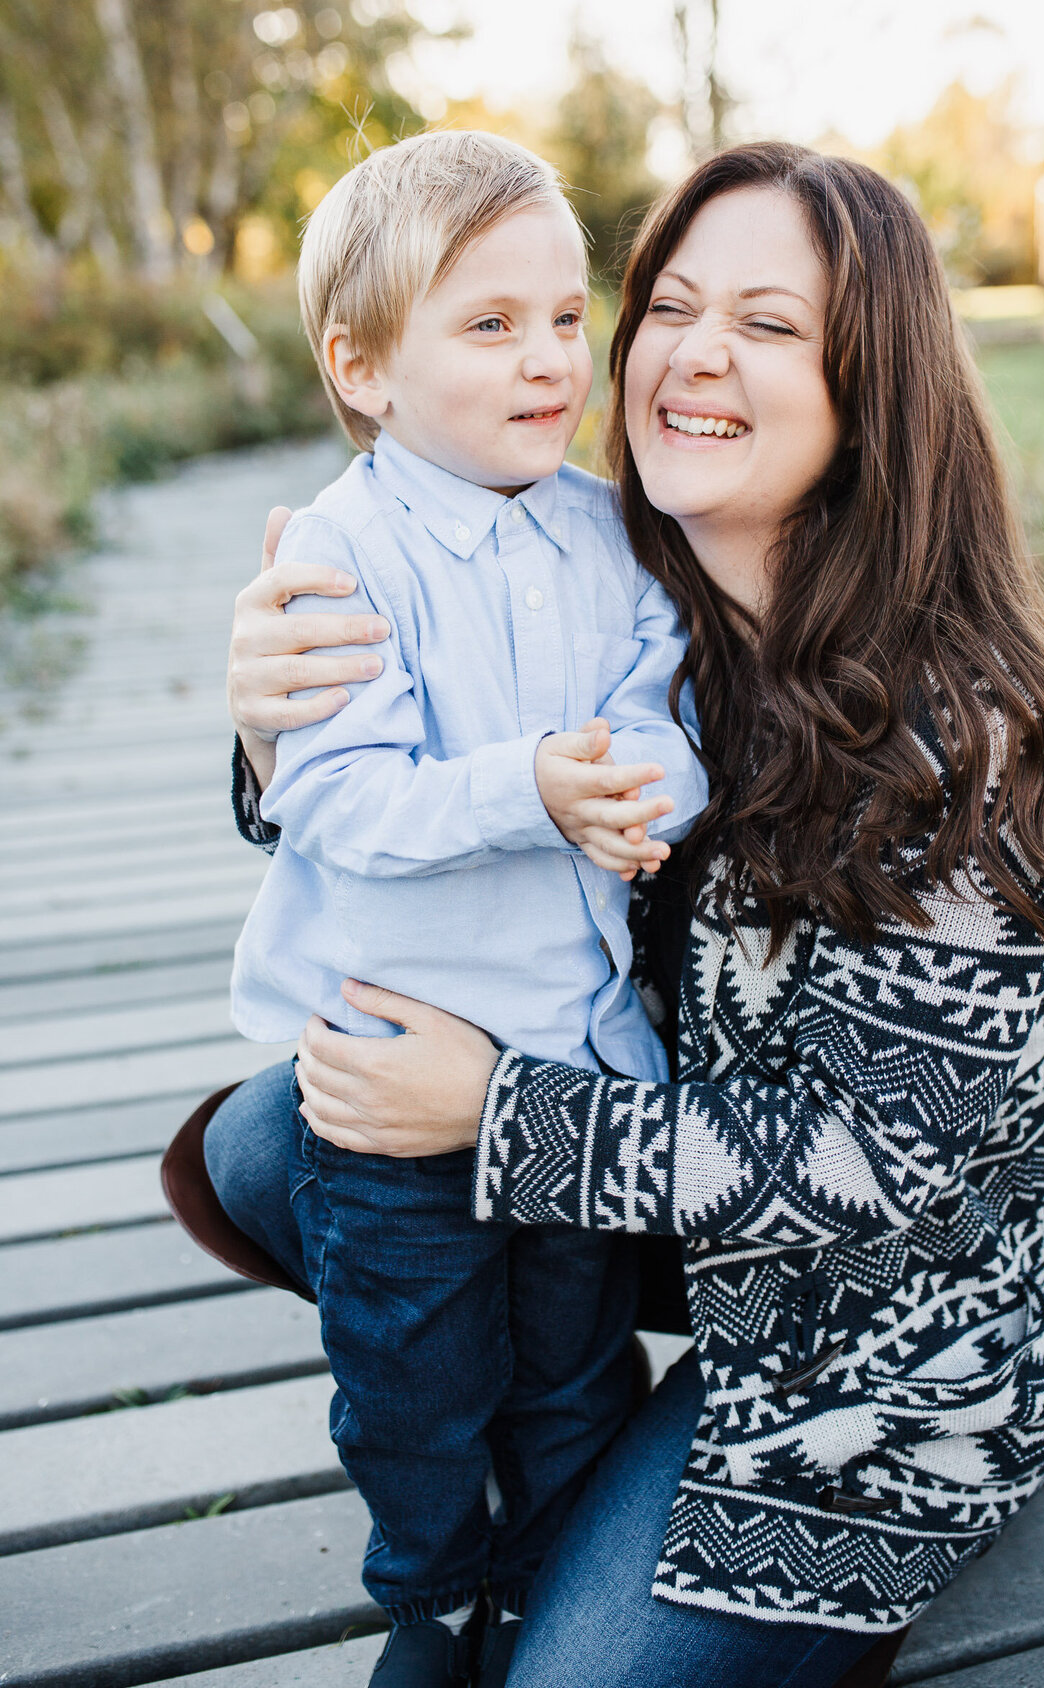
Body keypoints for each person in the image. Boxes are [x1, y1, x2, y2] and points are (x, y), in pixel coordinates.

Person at [197, 141, 1044, 1688]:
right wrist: (273, 733)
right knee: (281, 1134)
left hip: (887, 1332)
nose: (691, 351)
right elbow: (434, 792)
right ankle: (516, 1446)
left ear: (868, 387)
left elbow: (888, 1180)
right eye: (670, 305)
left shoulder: (956, 732)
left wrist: (494, 1111)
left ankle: (611, 1486)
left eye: (768, 324)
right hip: (691, 1206)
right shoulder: (624, 574)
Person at [224, 128, 708, 1687]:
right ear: (361, 366)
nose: (548, 360)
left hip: (571, 1065)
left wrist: (648, 784)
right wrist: (533, 790)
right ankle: (432, 1598)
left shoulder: (607, 530)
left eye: (567, 318)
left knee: (572, 1369)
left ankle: (547, 1574)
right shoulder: (341, 554)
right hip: (389, 1077)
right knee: (414, 1377)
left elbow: (662, 708)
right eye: (489, 325)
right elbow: (340, 798)